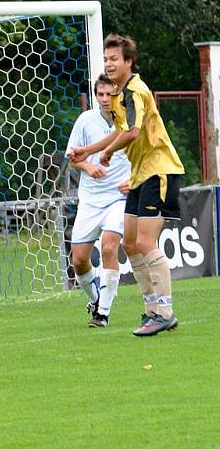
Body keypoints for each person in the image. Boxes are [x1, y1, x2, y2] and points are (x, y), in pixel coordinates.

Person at [68, 34, 185, 336]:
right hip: (139, 175)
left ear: (129, 62)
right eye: (106, 59)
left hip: (157, 170)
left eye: (114, 59)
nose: (108, 63)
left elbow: (132, 132)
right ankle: (152, 310)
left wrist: (102, 152)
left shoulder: (134, 90)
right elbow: (120, 132)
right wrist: (92, 151)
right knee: (130, 243)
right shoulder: (120, 94)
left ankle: (165, 309)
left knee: (145, 242)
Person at [66, 74, 131, 327]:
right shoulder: (85, 121)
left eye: (109, 94)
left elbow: (141, 152)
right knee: (79, 259)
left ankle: (103, 313)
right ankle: (96, 299)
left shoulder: (129, 120)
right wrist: (87, 167)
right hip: (90, 199)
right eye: (100, 94)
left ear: (118, 94)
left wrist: (134, 180)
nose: (105, 99)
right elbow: (73, 157)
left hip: (118, 196)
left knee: (108, 247)